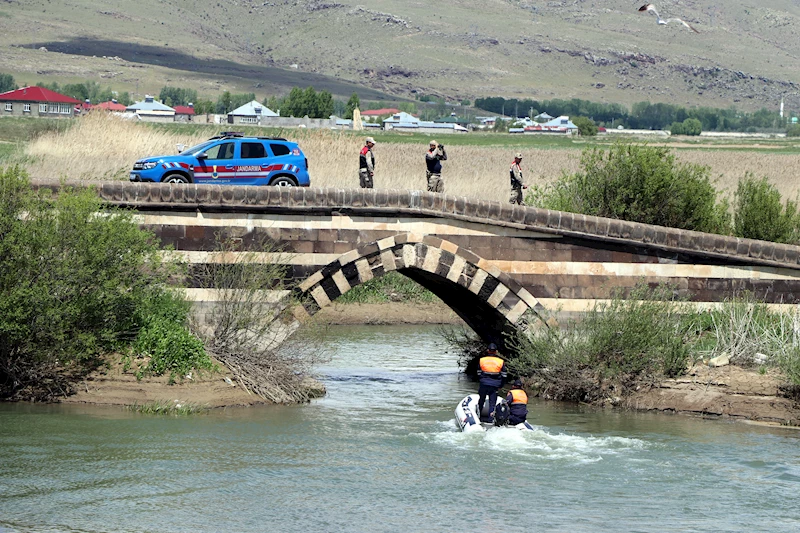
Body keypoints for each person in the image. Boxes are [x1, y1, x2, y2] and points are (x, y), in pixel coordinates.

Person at [477, 343, 507, 422]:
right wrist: (501, 385)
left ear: (488, 350)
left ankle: (478, 416)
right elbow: (504, 375)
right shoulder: (500, 361)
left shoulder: (482, 360)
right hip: (495, 385)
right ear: (496, 351)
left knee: (481, 400)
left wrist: (482, 381)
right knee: (492, 403)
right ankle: (490, 420)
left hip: (484, 384)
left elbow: (478, 373)